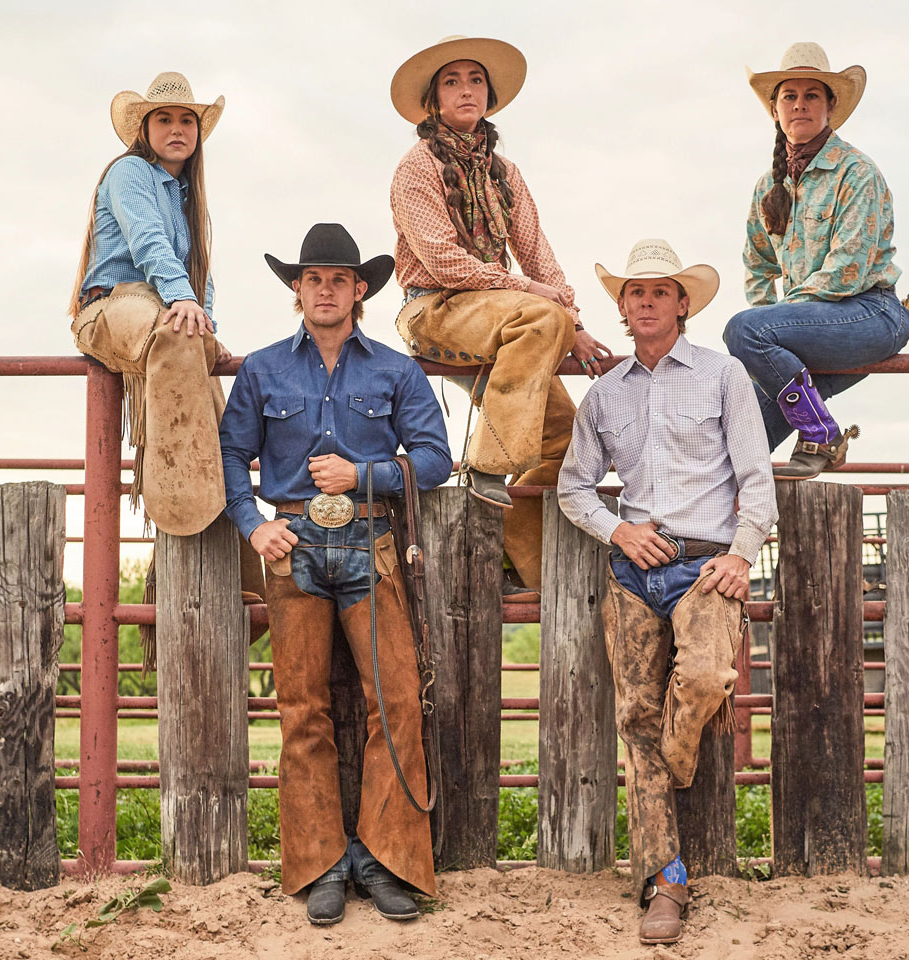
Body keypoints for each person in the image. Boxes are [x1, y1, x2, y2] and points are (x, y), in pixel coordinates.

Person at [220, 223, 453, 926]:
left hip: (372, 542)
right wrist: (252, 521)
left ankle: (385, 862)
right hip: (292, 550)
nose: (326, 289)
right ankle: (320, 863)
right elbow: (232, 454)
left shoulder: (395, 369)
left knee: (398, 702)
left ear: (360, 290)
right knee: (302, 710)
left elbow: (436, 458)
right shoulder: (261, 370)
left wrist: (365, 474)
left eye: (339, 279)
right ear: (297, 290)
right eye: (313, 278)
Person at [558, 239, 778, 946]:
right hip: (634, 571)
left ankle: (671, 763)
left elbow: (756, 479)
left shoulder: (723, 374)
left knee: (707, 676)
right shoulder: (605, 392)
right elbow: (573, 487)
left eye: (660, 291)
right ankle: (667, 881)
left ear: (683, 304)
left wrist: (744, 555)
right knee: (633, 716)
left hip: (710, 565)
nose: (646, 302)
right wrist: (619, 534)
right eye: (634, 293)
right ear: (621, 308)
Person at [387, 34, 614, 593]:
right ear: (433, 100)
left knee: (572, 439)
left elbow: (540, 253)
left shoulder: (505, 173)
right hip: (435, 309)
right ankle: (487, 464)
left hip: (506, 321)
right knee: (540, 317)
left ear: (488, 96)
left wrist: (574, 325)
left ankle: (514, 546)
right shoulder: (416, 167)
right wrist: (538, 301)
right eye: (451, 81)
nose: (465, 89)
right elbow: (441, 259)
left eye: (475, 81)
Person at [724, 43, 909, 480]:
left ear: (830, 106)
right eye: (789, 96)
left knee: (741, 330)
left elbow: (847, 268)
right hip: (805, 331)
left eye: (812, 95)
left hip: (869, 313)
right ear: (775, 110)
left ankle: (821, 434)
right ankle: (710, 538)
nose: (800, 105)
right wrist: (771, 333)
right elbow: (758, 265)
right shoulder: (767, 186)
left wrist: (771, 328)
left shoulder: (857, 172)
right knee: (735, 445)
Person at [69, 72, 230, 532]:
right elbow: (149, 242)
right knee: (180, 336)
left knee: (198, 351)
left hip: (159, 311)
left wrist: (207, 321)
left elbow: (202, 271)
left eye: (186, 120)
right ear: (145, 129)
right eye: (164, 119)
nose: (177, 129)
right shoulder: (129, 172)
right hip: (110, 308)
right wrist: (185, 300)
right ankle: (186, 513)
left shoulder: (186, 197)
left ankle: (227, 542)